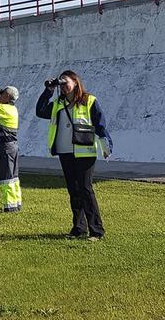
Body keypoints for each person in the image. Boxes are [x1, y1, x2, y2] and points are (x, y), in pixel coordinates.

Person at [35, 70, 113, 241]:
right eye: (61, 84)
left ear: (76, 82)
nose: (63, 87)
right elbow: (40, 111)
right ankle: (79, 228)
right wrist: (48, 90)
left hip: (84, 151)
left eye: (66, 82)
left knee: (86, 189)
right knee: (73, 191)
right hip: (65, 151)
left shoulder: (89, 101)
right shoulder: (58, 103)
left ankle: (96, 230)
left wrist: (107, 145)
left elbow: (100, 124)